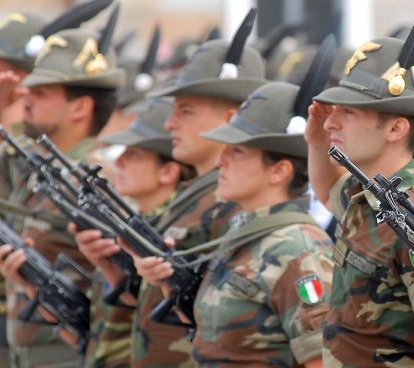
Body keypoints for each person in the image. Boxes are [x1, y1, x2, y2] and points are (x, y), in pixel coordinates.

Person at [305, 0, 414, 367]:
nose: (331, 122)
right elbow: (326, 192)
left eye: (348, 113)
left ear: (395, 128)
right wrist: (317, 143)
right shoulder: (370, 195)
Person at [137, 81, 334, 367]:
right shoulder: (246, 236)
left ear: (279, 171)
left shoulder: (300, 249)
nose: (221, 160)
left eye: (237, 152)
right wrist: (168, 283)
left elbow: (320, 359)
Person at [121, 13, 267, 367]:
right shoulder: (198, 193)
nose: (169, 123)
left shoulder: (231, 203)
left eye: (185, 111)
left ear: (230, 118)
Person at [0, 20, 124, 366]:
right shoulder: (39, 170)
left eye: (41, 93)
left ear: (80, 107)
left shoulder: (97, 181)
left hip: (70, 354)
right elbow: (6, 160)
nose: (26, 99)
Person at [72, 97, 195, 367]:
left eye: (134, 155)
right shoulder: (136, 224)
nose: (119, 161)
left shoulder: (180, 234)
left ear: (168, 171)